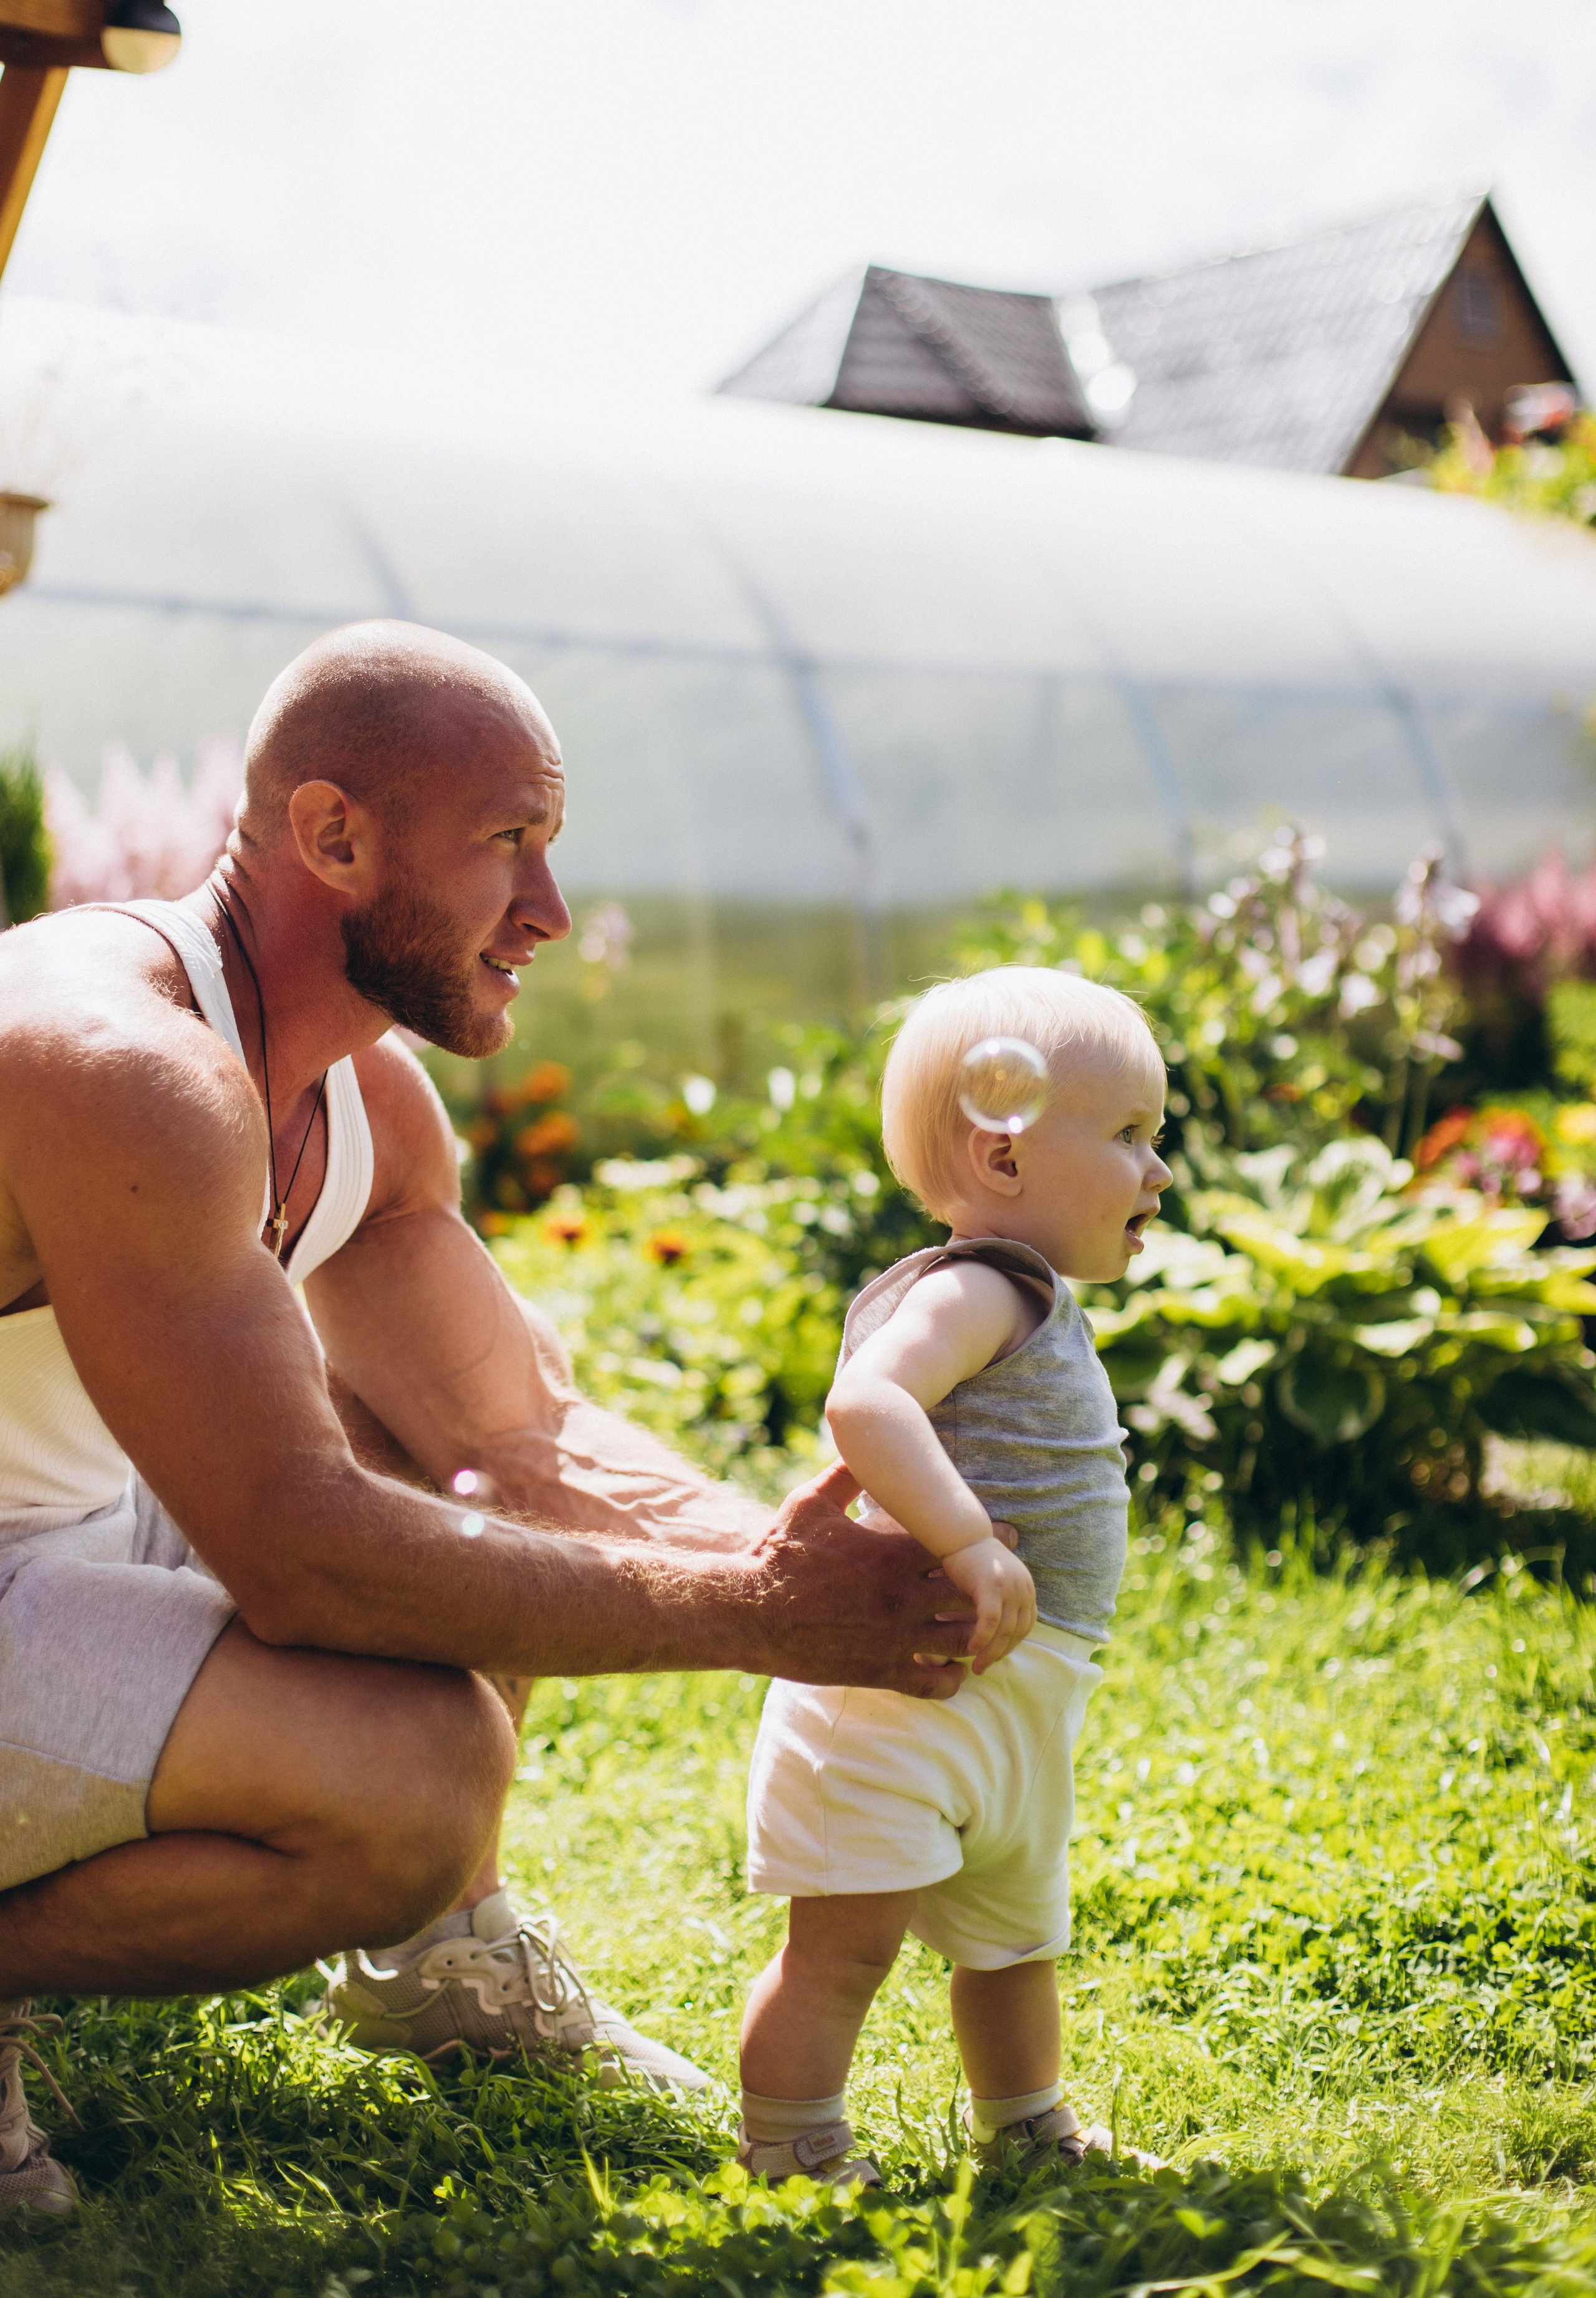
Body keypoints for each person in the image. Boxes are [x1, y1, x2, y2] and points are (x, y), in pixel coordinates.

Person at [0, 622, 988, 2216]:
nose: (551, 911)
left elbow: (516, 1441)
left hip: (55, 1534)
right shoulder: (125, 1065)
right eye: (508, 843)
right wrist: (760, 1615)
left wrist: (874, 1560)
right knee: (417, 1772)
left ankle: (438, 1969)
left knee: (442, 1467)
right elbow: (304, 1562)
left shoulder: (361, 1098)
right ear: (333, 837)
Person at [736, 969, 1171, 2188]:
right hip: (900, 1698)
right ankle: (790, 2145)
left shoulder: (1023, 1298)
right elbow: (865, 1401)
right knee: (841, 1949)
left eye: (1157, 1136)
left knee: (1011, 1939)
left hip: (1008, 1698)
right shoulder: (975, 1287)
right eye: (1130, 1135)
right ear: (1005, 1157)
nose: (1158, 1170)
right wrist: (969, 1538)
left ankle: (1026, 2124)